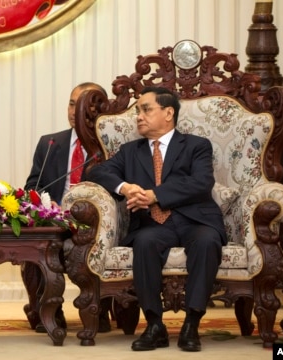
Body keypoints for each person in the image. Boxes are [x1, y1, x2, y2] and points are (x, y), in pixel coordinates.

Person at [86, 86, 225, 352]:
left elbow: (201, 183)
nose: (138, 115)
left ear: (168, 112)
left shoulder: (196, 145)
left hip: (196, 220)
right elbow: (97, 172)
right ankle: (154, 325)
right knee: (145, 242)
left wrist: (154, 195)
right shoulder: (130, 151)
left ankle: (191, 324)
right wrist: (125, 187)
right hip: (154, 225)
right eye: (137, 110)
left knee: (207, 242)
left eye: (146, 109)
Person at [24, 82, 113, 333]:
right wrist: (44, 201)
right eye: (72, 104)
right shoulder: (49, 143)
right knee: (32, 244)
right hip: (55, 220)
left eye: (84, 105)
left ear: (99, 110)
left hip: (94, 222)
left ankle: (99, 308)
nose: (75, 111)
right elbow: (33, 184)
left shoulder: (110, 144)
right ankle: (47, 309)